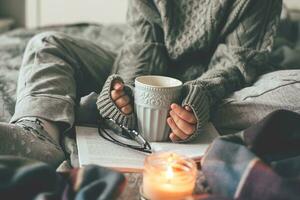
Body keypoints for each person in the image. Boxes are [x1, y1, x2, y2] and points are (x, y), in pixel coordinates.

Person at [1, 0, 297, 167]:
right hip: (149, 78)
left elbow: (236, 62)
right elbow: (143, 51)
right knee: (47, 44)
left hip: (216, 88)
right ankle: (40, 132)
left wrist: (201, 96)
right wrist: (127, 95)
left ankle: (188, 124)